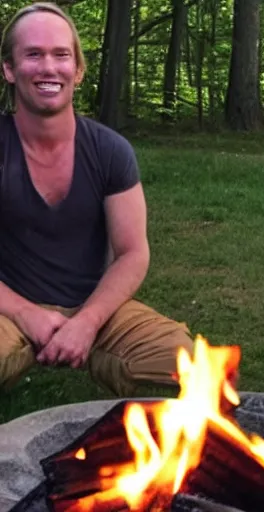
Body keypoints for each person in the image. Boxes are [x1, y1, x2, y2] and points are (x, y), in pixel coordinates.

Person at [0, 3, 194, 397]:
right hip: (8, 307)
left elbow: (132, 252)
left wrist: (87, 322)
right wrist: (25, 313)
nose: (49, 67)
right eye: (33, 54)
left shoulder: (110, 150)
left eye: (61, 54)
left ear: (79, 70)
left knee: (183, 364)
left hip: (96, 306)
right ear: (9, 69)